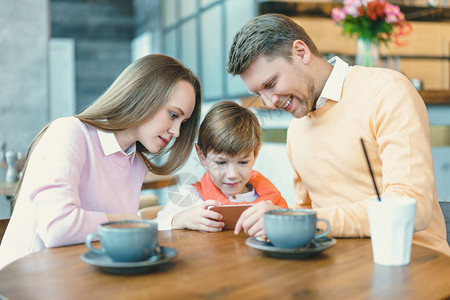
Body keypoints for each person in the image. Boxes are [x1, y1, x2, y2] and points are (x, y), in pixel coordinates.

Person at [227, 13, 449, 255]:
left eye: (271, 83)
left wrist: (304, 219)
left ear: (301, 52)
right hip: (338, 269)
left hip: (414, 262)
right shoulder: (297, 130)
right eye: (259, 93)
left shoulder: (386, 91)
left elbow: (413, 208)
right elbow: (307, 214)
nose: (269, 103)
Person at [0, 54, 202, 269]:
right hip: (27, 284)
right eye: (173, 115)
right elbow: (57, 227)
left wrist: (172, 221)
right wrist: (126, 219)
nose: (177, 132)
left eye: (183, 122)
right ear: (143, 95)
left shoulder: (136, 163)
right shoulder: (69, 132)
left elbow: (120, 231)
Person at [155, 101, 288, 232]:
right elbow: (152, 227)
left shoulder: (270, 201)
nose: (232, 174)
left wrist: (281, 219)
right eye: (221, 162)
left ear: (256, 153)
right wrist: (178, 220)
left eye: (243, 162)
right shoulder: (188, 197)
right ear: (202, 155)